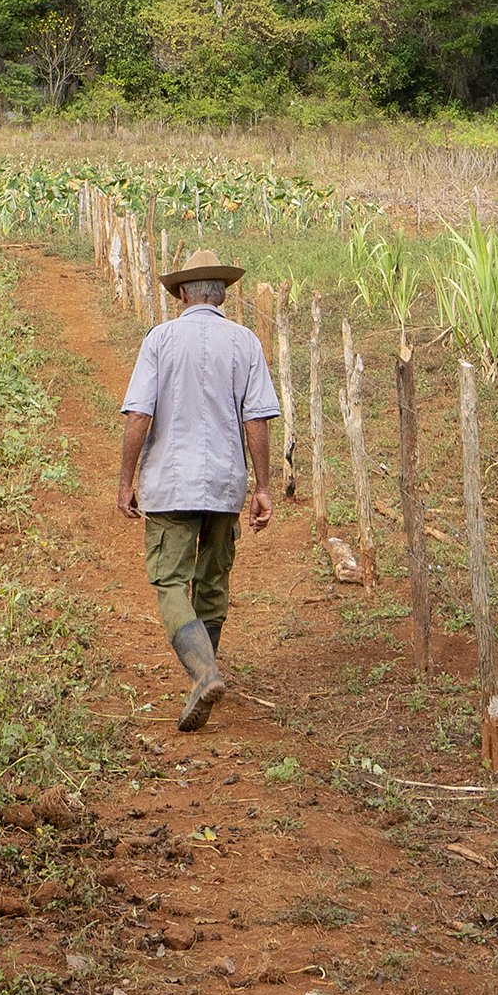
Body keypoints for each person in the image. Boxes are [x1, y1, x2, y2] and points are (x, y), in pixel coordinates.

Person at [116, 244, 280, 731]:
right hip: (225, 483)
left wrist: (125, 481)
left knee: (169, 580)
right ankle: (204, 676)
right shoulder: (246, 342)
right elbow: (257, 420)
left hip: (170, 483)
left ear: (183, 292)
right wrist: (263, 486)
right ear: (221, 295)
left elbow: (140, 413)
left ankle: (204, 671)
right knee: (212, 582)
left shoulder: (160, 341)